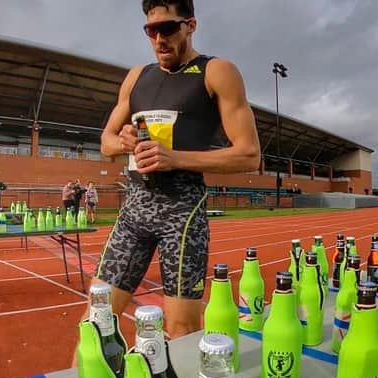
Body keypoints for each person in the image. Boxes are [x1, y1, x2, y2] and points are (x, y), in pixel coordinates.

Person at [77, 0, 260, 351]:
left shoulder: (216, 71)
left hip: (182, 213)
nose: (158, 38)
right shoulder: (137, 77)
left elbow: (249, 154)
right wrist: (124, 141)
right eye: (151, 30)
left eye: (168, 28)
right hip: (134, 211)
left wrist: (174, 158)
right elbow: (106, 141)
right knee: (95, 319)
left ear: (190, 25)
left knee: (181, 329)